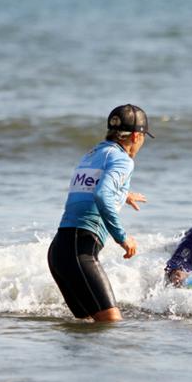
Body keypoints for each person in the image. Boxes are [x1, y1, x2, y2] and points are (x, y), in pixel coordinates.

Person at [47, 104, 153, 322]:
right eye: (143, 138)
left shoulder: (92, 154)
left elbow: (89, 189)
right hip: (80, 251)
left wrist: (123, 193)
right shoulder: (123, 160)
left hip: (59, 251)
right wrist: (122, 238)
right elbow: (102, 195)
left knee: (87, 333)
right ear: (135, 136)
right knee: (111, 325)